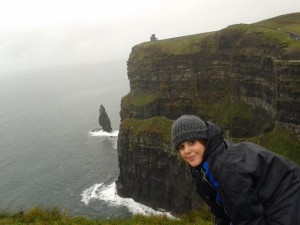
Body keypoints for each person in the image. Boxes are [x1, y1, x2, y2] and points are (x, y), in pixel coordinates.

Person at [171, 115, 300, 225]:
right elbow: (221, 210)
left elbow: (248, 217)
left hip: (288, 198)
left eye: (192, 142)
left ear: (204, 140)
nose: (187, 151)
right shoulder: (205, 165)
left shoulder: (225, 167)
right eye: (181, 147)